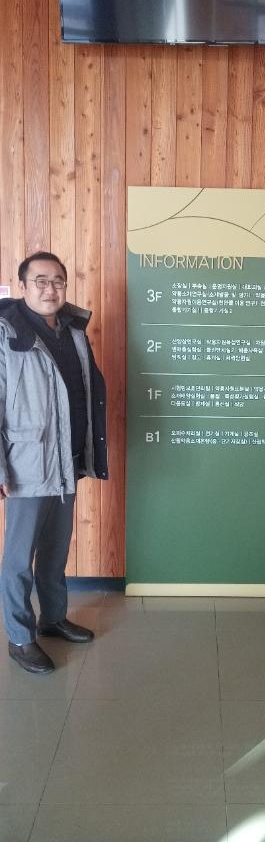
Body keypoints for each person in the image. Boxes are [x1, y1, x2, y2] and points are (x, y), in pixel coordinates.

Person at [0, 252, 108, 674]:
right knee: (18, 559)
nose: (50, 289)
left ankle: (53, 618)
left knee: (56, 549)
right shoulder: (7, 332)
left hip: (68, 460)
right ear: (23, 286)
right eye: (40, 281)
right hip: (26, 465)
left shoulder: (73, 331)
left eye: (58, 281)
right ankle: (20, 638)